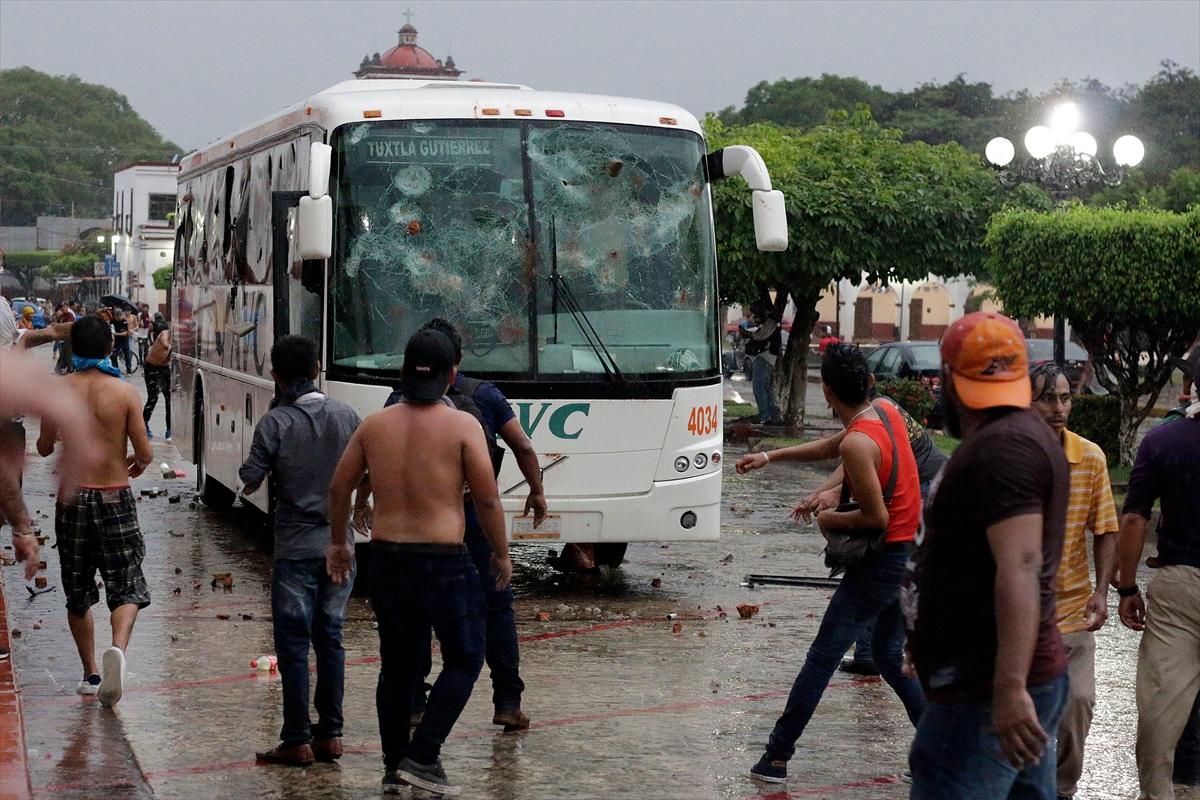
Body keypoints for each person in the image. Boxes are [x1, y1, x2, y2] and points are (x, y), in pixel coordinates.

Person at [327, 328, 512, 796]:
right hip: (445, 561)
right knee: (466, 658)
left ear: (404, 372)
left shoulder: (375, 424)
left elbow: (339, 488)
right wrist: (502, 552)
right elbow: (488, 501)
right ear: (453, 375)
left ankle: (394, 766)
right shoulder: (464, 427)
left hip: (388, 560)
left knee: (398, 667)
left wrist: (339, 543)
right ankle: (424, 754)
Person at [904, 311, 1069, 799]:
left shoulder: (1004, 449)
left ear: (950, 380)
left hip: (985, 687)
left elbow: (1019, 565)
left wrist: (1010, 686)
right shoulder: (1006, 438)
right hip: (995, 678)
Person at [748, 344, 926, 784]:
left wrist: (828, 516)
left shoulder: (860, 443)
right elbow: (838, 444)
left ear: (826, 391)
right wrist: (772, 456)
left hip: (884, 560)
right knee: (886, 654)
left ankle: (776, 756)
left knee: (822, 656)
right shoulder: (884, 411)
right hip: (911, 555)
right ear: (868, 382)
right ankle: (940, 747)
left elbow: (874, 517)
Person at [372, 318, 546, 732]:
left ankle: (414, 702)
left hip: (419, 522)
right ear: (457, 362)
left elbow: (371, 461)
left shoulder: (397, 399)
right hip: (472, 518)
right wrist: (537, 491)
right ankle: (506, 701)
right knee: (496, 608)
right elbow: (521, 444)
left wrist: (366, 502)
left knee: (418, 613)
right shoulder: (483, 395)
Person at [737, 374, 948, 677]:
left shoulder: (880, 416)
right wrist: (816, 489)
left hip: (924, 489)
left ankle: (875, 652)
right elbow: (847, 452)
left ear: (830, 394)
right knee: (880, 572)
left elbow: (863, 462)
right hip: (920, 490)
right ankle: (871, 653)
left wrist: (831, 500)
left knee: (878, 566)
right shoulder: (877, 413)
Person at [237, 335, 362, 767]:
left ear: (276, 376)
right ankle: (331, 735)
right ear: (316, 368)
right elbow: (366, 474)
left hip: (294, 551)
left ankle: (296, 739)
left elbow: (249, 478)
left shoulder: (275, 423)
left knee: (293, 645)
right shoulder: (348, 417)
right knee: (331, 638)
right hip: (340, 546)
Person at [35, 315, 154, 707]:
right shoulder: (123, 393)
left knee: (78, 587)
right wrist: (132, 462)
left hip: (72, 498)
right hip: (114, 495)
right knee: (127, 583)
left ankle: (91, 673)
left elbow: (44, 447)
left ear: (72, 349)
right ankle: (117, 649)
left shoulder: (60, 390)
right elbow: (147, 453)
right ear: (109, 348)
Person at [1026, 362, 1119, 800]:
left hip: (1074, 610)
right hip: (1018, 612)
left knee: (1078, 703)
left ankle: (1062, 788)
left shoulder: (1091, 457)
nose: (1059, 408)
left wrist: (1103, 591)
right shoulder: (1012, 455)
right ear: (1027, 401)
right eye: (1048, 398)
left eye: (1065, 398)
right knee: (1025, 712)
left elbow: (1106, 529)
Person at [1116, 374, 1200, 800]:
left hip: (1180, 585)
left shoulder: (1163, 441)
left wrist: (1126, 588)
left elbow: (1134, 519)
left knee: (1159, 714)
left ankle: (1157, 793)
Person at [740, 302, 782, 426]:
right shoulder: (767, 323)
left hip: (766, 357)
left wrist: (748, 333)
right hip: (765, 357)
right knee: (766, 387)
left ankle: (764, 415)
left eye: (756, 313)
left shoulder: (770, 323)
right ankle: (770, 416)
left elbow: (760, 336)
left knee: (759, 387)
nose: (755, 316)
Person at [142, 316, 172, 439]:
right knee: (153, 398)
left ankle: (169, 428)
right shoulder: (165, 334)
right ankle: (143, 425)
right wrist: (171, 347)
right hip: (151, 367)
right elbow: (165, 343)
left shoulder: (179, 340)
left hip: (164, 369)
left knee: (169, 398)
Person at [110, 308, 132, 372]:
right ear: (115, 316)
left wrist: (116, 334)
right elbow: (111, 328)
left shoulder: (124, 321)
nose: (119, 317)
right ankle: (115, 369)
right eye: (116, 316)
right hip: (116, 341)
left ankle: (129, 370)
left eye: (120, 315)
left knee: (127, 355)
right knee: (113, 356)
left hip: (124, 340)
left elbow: (125, 333)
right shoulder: (113, 320)